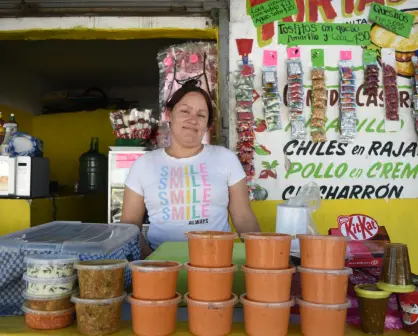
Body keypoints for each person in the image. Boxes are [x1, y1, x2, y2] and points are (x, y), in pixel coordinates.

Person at [121, 79, 261, 258]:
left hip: (218, 261)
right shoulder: (143, 165)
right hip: (161, 263)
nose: (192, 120)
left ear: (207, 125)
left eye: (201, 115)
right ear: (169, 114)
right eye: (185, 111)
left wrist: (262, 257)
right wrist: (151, 260)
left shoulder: (225, 158)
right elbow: (129, 224)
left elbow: (243, 217)